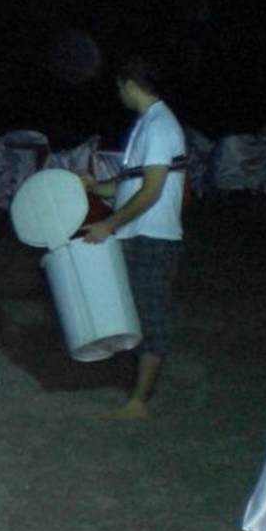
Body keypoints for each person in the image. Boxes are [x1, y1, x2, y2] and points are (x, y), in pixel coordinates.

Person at [78, 54, 186, 419]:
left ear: (130, 84)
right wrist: (95, 186)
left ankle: (139, 401)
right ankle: (134, 390)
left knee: (151, 316)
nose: (118, 93)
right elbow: (128, 185)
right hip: (138, 234)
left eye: (119, 86)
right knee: (133, 313)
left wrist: (109, 224)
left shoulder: (160, 126)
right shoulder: (147, 123)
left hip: (153, 236)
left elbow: (152, 190)